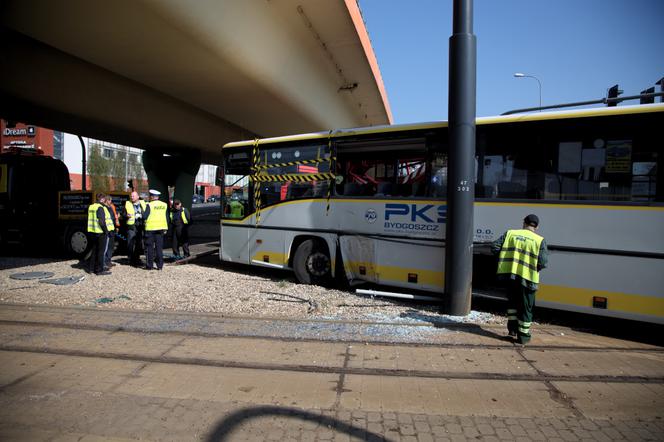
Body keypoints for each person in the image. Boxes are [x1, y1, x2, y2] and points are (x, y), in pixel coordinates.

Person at [491, 214, 548, 345]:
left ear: (524, 223)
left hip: (510, 277)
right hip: (528, 279)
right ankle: (523, 337)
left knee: (512, 304)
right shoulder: (539, 240)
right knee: (526, 308)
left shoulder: (510, 233)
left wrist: (506, 260)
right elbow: (543, 262)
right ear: (537, 227)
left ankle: (512, 330)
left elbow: (494, 247)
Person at [86, 193, 113, 275]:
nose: (105, 201)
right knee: (101, 252)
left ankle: (91, 269)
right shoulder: (100, 208)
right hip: (100, 232)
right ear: (102, 199)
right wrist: (106, 231)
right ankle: (99, 270)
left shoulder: (91, 206)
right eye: (104, 199)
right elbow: (101, 222)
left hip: (92, 231)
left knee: (94, 251)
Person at [143, 189, 169, 270]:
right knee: (159, 248)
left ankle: (149, 266)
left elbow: (145, 216)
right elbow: (167, 217)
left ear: (152, 197)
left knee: (149, 248)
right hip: (161, 228)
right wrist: (166, 227)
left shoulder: (149, 205)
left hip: (150, 229)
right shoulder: (164, 205)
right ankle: (160, 266)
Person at [124, 191, 146, 266]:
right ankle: (130, 259)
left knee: (139, 243)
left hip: (140, 225)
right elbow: (123, 214)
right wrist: (126, 215)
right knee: (130, 243)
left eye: (133, 196)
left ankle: (137, 258)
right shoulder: (127, 204)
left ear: (137, 197)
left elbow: (146, 212)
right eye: (131, 196)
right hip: (132, 226)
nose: (132, 197)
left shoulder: (143, 203)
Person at [103, 196, 120, 269]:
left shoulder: (111, 207)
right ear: (106, 201)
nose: (111, 202)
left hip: (112, 229)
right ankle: (105, 262)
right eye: (110, 200)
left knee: (110, 246)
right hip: (108, 230)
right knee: (106, 247)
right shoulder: (104, 208)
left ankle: (108, 260)